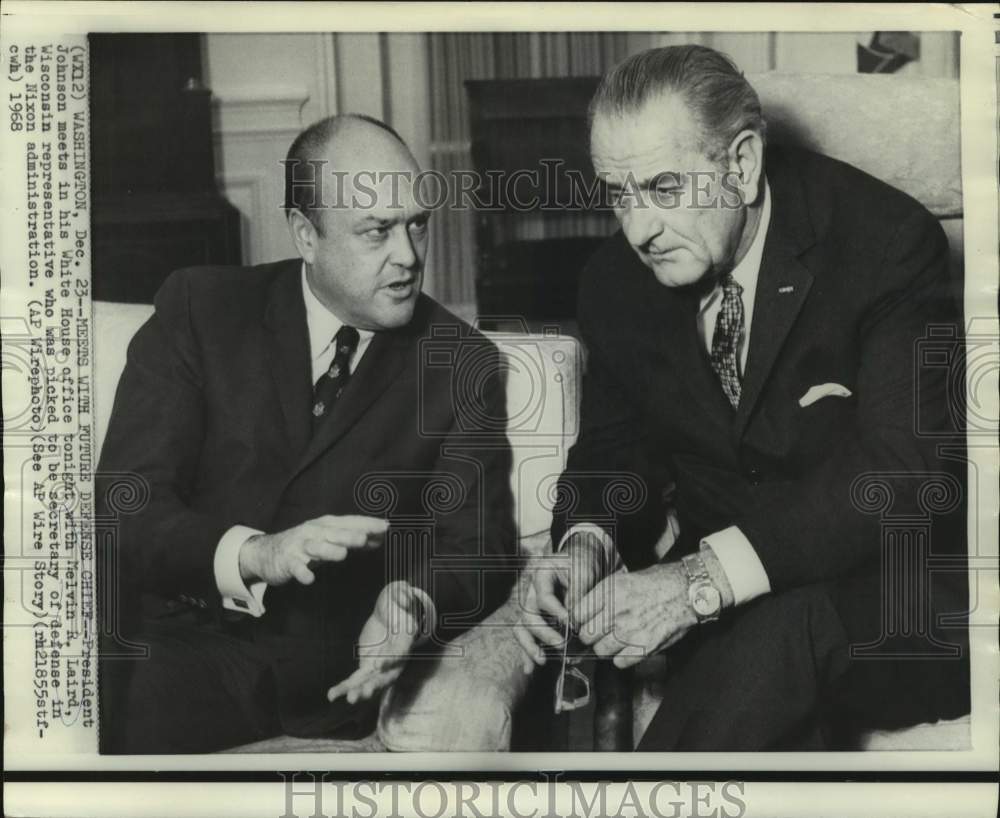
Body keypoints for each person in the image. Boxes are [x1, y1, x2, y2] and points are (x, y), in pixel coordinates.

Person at [514, 45, 969, 750]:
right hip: (732, 616)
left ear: (743, 164)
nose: (638, 229)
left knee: (787, 629)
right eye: (618, 193)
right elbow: (612, 449)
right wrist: (586, 543)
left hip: (892, 597)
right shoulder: (615, 283)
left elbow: (900, 471)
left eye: (664, 188)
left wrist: (701, 581)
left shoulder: (885, 244)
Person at [97, 114, 515, 753]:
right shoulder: (201, 308)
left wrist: (415, 602)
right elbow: (126, 501)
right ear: (306, 235)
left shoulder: (460, 363)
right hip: (167, 641)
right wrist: (253, 554)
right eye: (376, 231)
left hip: (319, 679)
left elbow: (479, 548)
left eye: (417, 224)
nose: (408, 256)